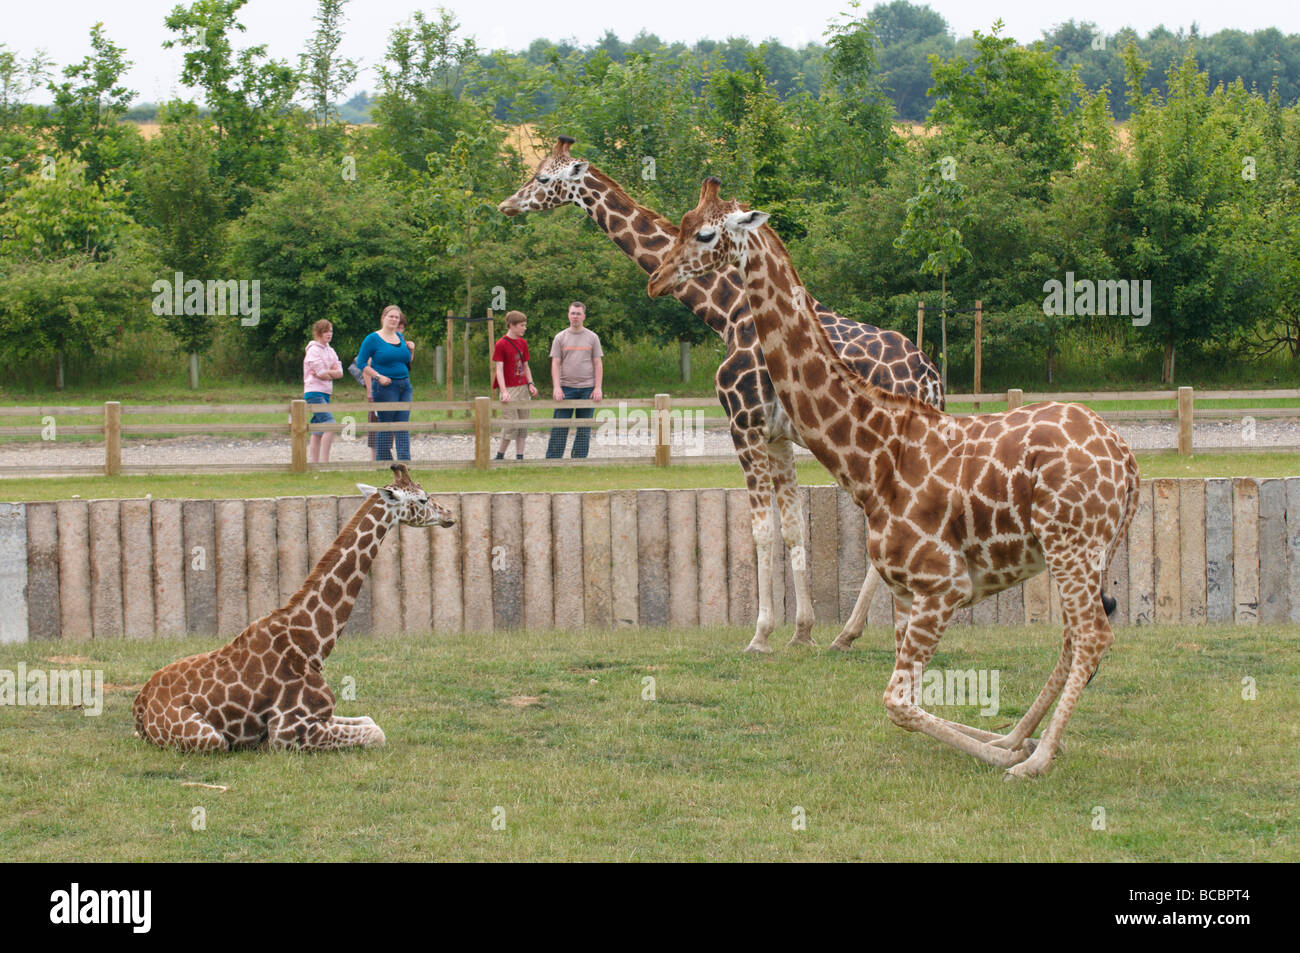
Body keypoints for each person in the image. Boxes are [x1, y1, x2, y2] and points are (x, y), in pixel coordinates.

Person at [350, 312, 415, 461]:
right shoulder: (372, 339)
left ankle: (404, 462)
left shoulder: (400, 337)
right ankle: (384, 461)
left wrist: (412, 351)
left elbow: (407, 362)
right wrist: (378, 377)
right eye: (391, 316)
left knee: (402, 424)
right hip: (385, 387)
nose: (394, 320)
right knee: (386, 424)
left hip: (404, 384)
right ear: (383, 318)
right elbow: (361, 363)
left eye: (396, 318)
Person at [545, 301, 603, 459]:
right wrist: (557, 387)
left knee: (584, 428)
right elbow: (555, 363)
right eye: (572, 313)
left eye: (578, 313)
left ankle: (579, 460)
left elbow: (598, 363)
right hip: (565, 389)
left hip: (587, 389)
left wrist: (597, 388)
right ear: (568, 315)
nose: (575, 316)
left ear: (584, 316)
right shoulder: (560, 337)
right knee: (559, 426)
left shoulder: (592, 337)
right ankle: (553, 460)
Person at [492, 310, 538, 460]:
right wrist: (504, 391)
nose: (524, 328)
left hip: (523, 387)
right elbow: (498, 369)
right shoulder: (501, 344)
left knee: (523, 424)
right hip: (509, 388)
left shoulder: (523, 343)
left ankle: (520, 456)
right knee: (511, 424)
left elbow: (526, 365)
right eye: (522, 325)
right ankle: (500, 455)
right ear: (512, 325)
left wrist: (530, 383)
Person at [303, 319, 343, 464]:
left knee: (318, 429)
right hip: (314, 392)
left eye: (331, 331)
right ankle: (325, 462)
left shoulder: (330, 350)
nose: (329, 334)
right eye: (326, 331)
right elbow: (320, 373)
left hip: (326, 392)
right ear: (319, 333)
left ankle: (314, 463)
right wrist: (330, 373)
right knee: (330, 424)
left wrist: (329, 373)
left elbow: (340, 372)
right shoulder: (313, 350)